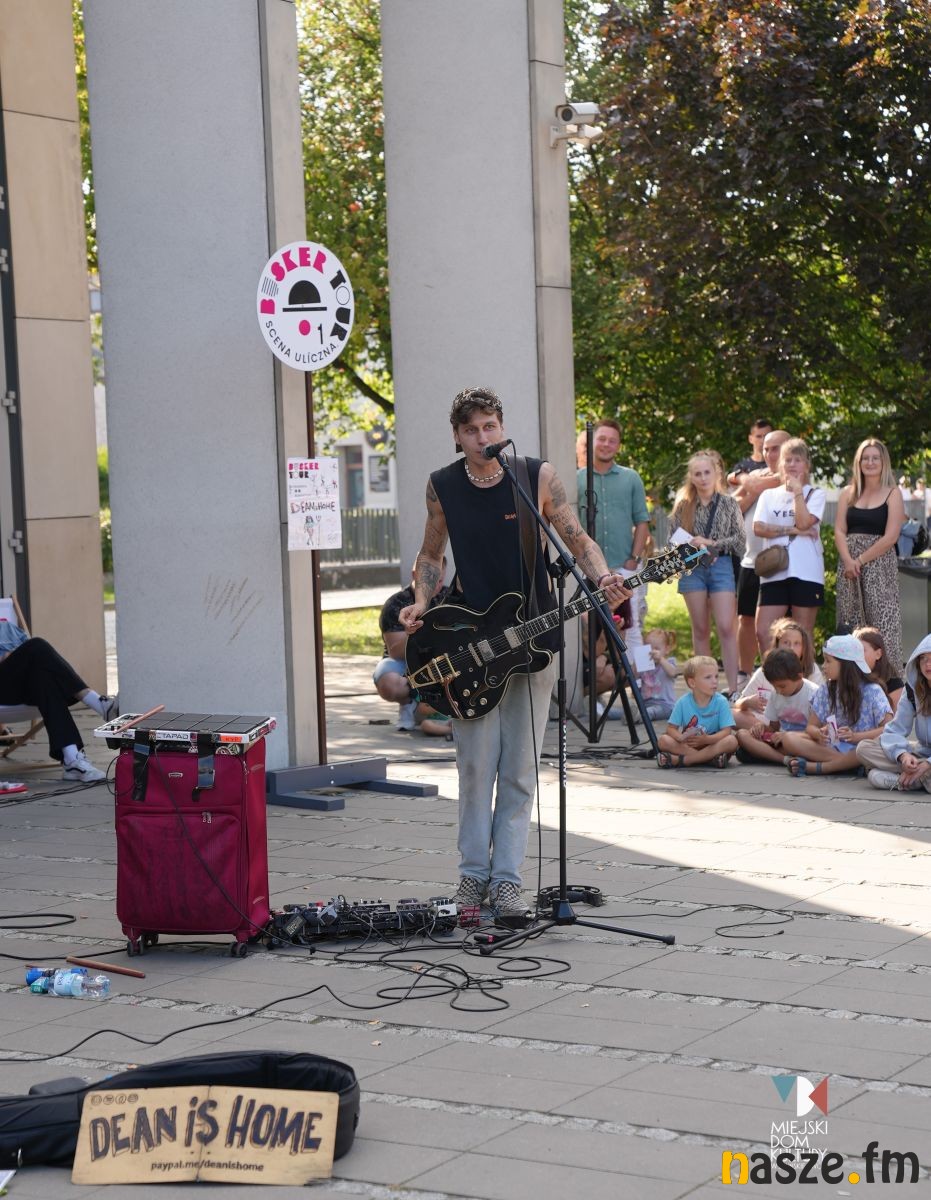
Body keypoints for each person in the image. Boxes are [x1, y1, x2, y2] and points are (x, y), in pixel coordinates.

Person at [400, 387, 631, 920]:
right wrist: (420, 600)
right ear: (458, 436)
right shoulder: (442, 486)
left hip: (533, 640)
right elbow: (430, 554)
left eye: (490, 426)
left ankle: (507, 882)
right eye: (472, 430)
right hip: (470, 644)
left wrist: (602, 577)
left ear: (502, 428)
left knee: (521, 768)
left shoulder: (535, 477)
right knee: (475, 767)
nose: (483, 437)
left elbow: (578, 540)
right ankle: (471, 877)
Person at [0, 622, 117, 782]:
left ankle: (71, 760)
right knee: (37, 645)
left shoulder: (8, 628)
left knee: (44, 678)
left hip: (22, 687)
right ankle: (99, 704)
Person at [669, 451, 745, 697]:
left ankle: (733, 689)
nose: (702, 478)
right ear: (691, 477)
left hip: (720, 564)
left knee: (726, 627)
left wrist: (711, 543)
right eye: (697, 474)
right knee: (700, 629)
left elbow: (740, 541)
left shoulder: (728, 503)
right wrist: (690, 544)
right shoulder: (683, 505)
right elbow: (672, 540)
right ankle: (705, 689)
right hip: (692, 568)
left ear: (716, 474)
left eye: (706, 473)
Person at [577, 418, 650, 653]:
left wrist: (633, 559)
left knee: (632, 626)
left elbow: (642, 521)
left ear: (618, 445)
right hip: (588, 569)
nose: (606, 444)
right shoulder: (577, 478)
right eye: (602, 439)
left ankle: (639, 675)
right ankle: (599, 670)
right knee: (589, 626)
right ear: (592, 441)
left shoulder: (631, 478)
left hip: (624, 566)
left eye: (612, 441)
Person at [834, 438, 905, 672]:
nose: (870, 462)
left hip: (879, 566)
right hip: (849, 568)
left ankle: (890, 682)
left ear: (883, 462)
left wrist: (861, 560)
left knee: (883, 626)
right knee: (850, 624)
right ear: (859, 462)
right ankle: (850, 679)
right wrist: (848, 560)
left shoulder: (892, 494)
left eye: (875, 458)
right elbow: (839, 529)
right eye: (866, 458)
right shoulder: (847, 493)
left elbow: (891, 536)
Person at [780, 634, 891, 777]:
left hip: (862, 748)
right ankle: (847, 765)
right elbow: (811, 727)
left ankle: (820, 767)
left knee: (865, 749)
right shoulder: (825, 690)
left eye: (828, 661)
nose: (823, 666)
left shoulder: (873, 691)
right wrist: (819, 734)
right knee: (789, 738)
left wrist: (855, 737)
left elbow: (888, 729)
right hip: (835, 748)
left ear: (845, 664)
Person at [753, 438, 825, 649]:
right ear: (780, 465)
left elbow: (804, 522)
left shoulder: (815, 494)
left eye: (798, 460)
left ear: (807, 465)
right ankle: (772, 669)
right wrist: (793, 531)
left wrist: (797, 492)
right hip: (774, 570)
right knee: (764, 631)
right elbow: (758, 528)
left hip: (806, 571)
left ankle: (802, 671)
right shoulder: (768, 495)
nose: (792, 464)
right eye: (788, 460)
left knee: (802, 633)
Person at [731, 429, 791, 681]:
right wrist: (748, 482)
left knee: (781, 625)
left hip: (782, 563)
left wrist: (748, 480)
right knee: (745, 619)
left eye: (775, 448)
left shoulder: (793, 475)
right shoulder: (755, 475)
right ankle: (745, 675)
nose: (769, 453)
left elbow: (776, 481)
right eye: (766, 448)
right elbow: (732, 508)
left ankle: (782, 675)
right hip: (751, 558)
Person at [374, 561, 449, 733]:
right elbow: (395, 652)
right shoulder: (396, 603)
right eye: (429, 581)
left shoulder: (449, 597)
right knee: (389, 683)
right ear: (414, 575)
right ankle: (408, 703)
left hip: (441, 658)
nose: (435, 587)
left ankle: (437, 710)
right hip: (405, 661)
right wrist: (417, 632)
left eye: (439, 581)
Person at [856, 634, 931, 791]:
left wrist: (928, 764)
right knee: (864, 748)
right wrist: (903, 756)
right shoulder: (912, 689)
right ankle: (917, 778)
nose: (927, 664)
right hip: (920, 756)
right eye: (923, 658)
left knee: (875, 776)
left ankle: (906, 780)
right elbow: (894, 730)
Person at [731, 617, 822, 731]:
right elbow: (738, 704)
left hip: (802, 728)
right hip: (764, 722)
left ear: (804, 648)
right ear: (777, 644)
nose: (791, 648)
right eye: (786, 642)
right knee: (730, 715)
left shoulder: (812, 670)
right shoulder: (766, 670)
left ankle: (771, 738)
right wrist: (748, 702)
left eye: (797, 643)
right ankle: (766, 736)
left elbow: (821, 708)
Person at [735, 648, 819, 765]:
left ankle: (766, 755)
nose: (778, 691)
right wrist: (761, 727)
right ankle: (784, 760)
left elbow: (816, 733)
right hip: (779, 742)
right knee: (742, 735)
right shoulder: (776, 694)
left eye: (782, 686)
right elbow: (773, 727)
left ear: (799, 677)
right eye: (774, 687)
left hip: (802, 743)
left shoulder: (814, 694)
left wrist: (787, 736)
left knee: (746, 752)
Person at [656, 655, 738, 768]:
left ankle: (684, 760)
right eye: (708, 677)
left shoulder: (721, 701)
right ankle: (709, 760)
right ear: (692, 683)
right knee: (663, 740)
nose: (714, 681)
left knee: (732, 741)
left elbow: (726, 731)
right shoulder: (682, 702)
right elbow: (671, 729)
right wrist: (679, 737)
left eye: (716, 676)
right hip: (690, 746)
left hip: (712, 744)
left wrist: (707, 739)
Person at [855, 626, 904, 710]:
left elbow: (897, 717)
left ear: (878, 654)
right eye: (854, 650)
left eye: (861, 650)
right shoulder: (851, 680)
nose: (856, 655)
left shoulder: (893, 684)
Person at [636, 628, 678, 722]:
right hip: (645, 704)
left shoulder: (669, 662)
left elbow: (673, 672)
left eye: (656, 649)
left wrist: (661, 659)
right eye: (648, 648)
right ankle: (605, 713)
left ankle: (639, 717)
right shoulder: (644, 666)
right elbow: (633, 678)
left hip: (666, 705)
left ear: (667, 649)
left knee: (651, 711)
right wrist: (637, 662)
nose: (652, 652)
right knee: (626, 710)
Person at [726, 418, 773, 488]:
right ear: (750, 439)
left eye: (766, 436)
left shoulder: (779, 464)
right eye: (758, 436)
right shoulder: (741, 467)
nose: (763, 440)